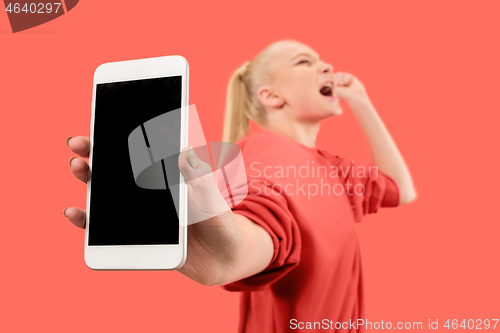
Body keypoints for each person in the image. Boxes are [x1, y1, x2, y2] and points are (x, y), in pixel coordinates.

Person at [64, 39, 416, 332]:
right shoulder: (266, 150)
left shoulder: (333, 168)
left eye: (323, 60)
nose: (326, 66)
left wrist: (360, 100)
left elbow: (400, 189)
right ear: (270, 96)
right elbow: (266, 216)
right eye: (305, 61)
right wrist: (235, 254)